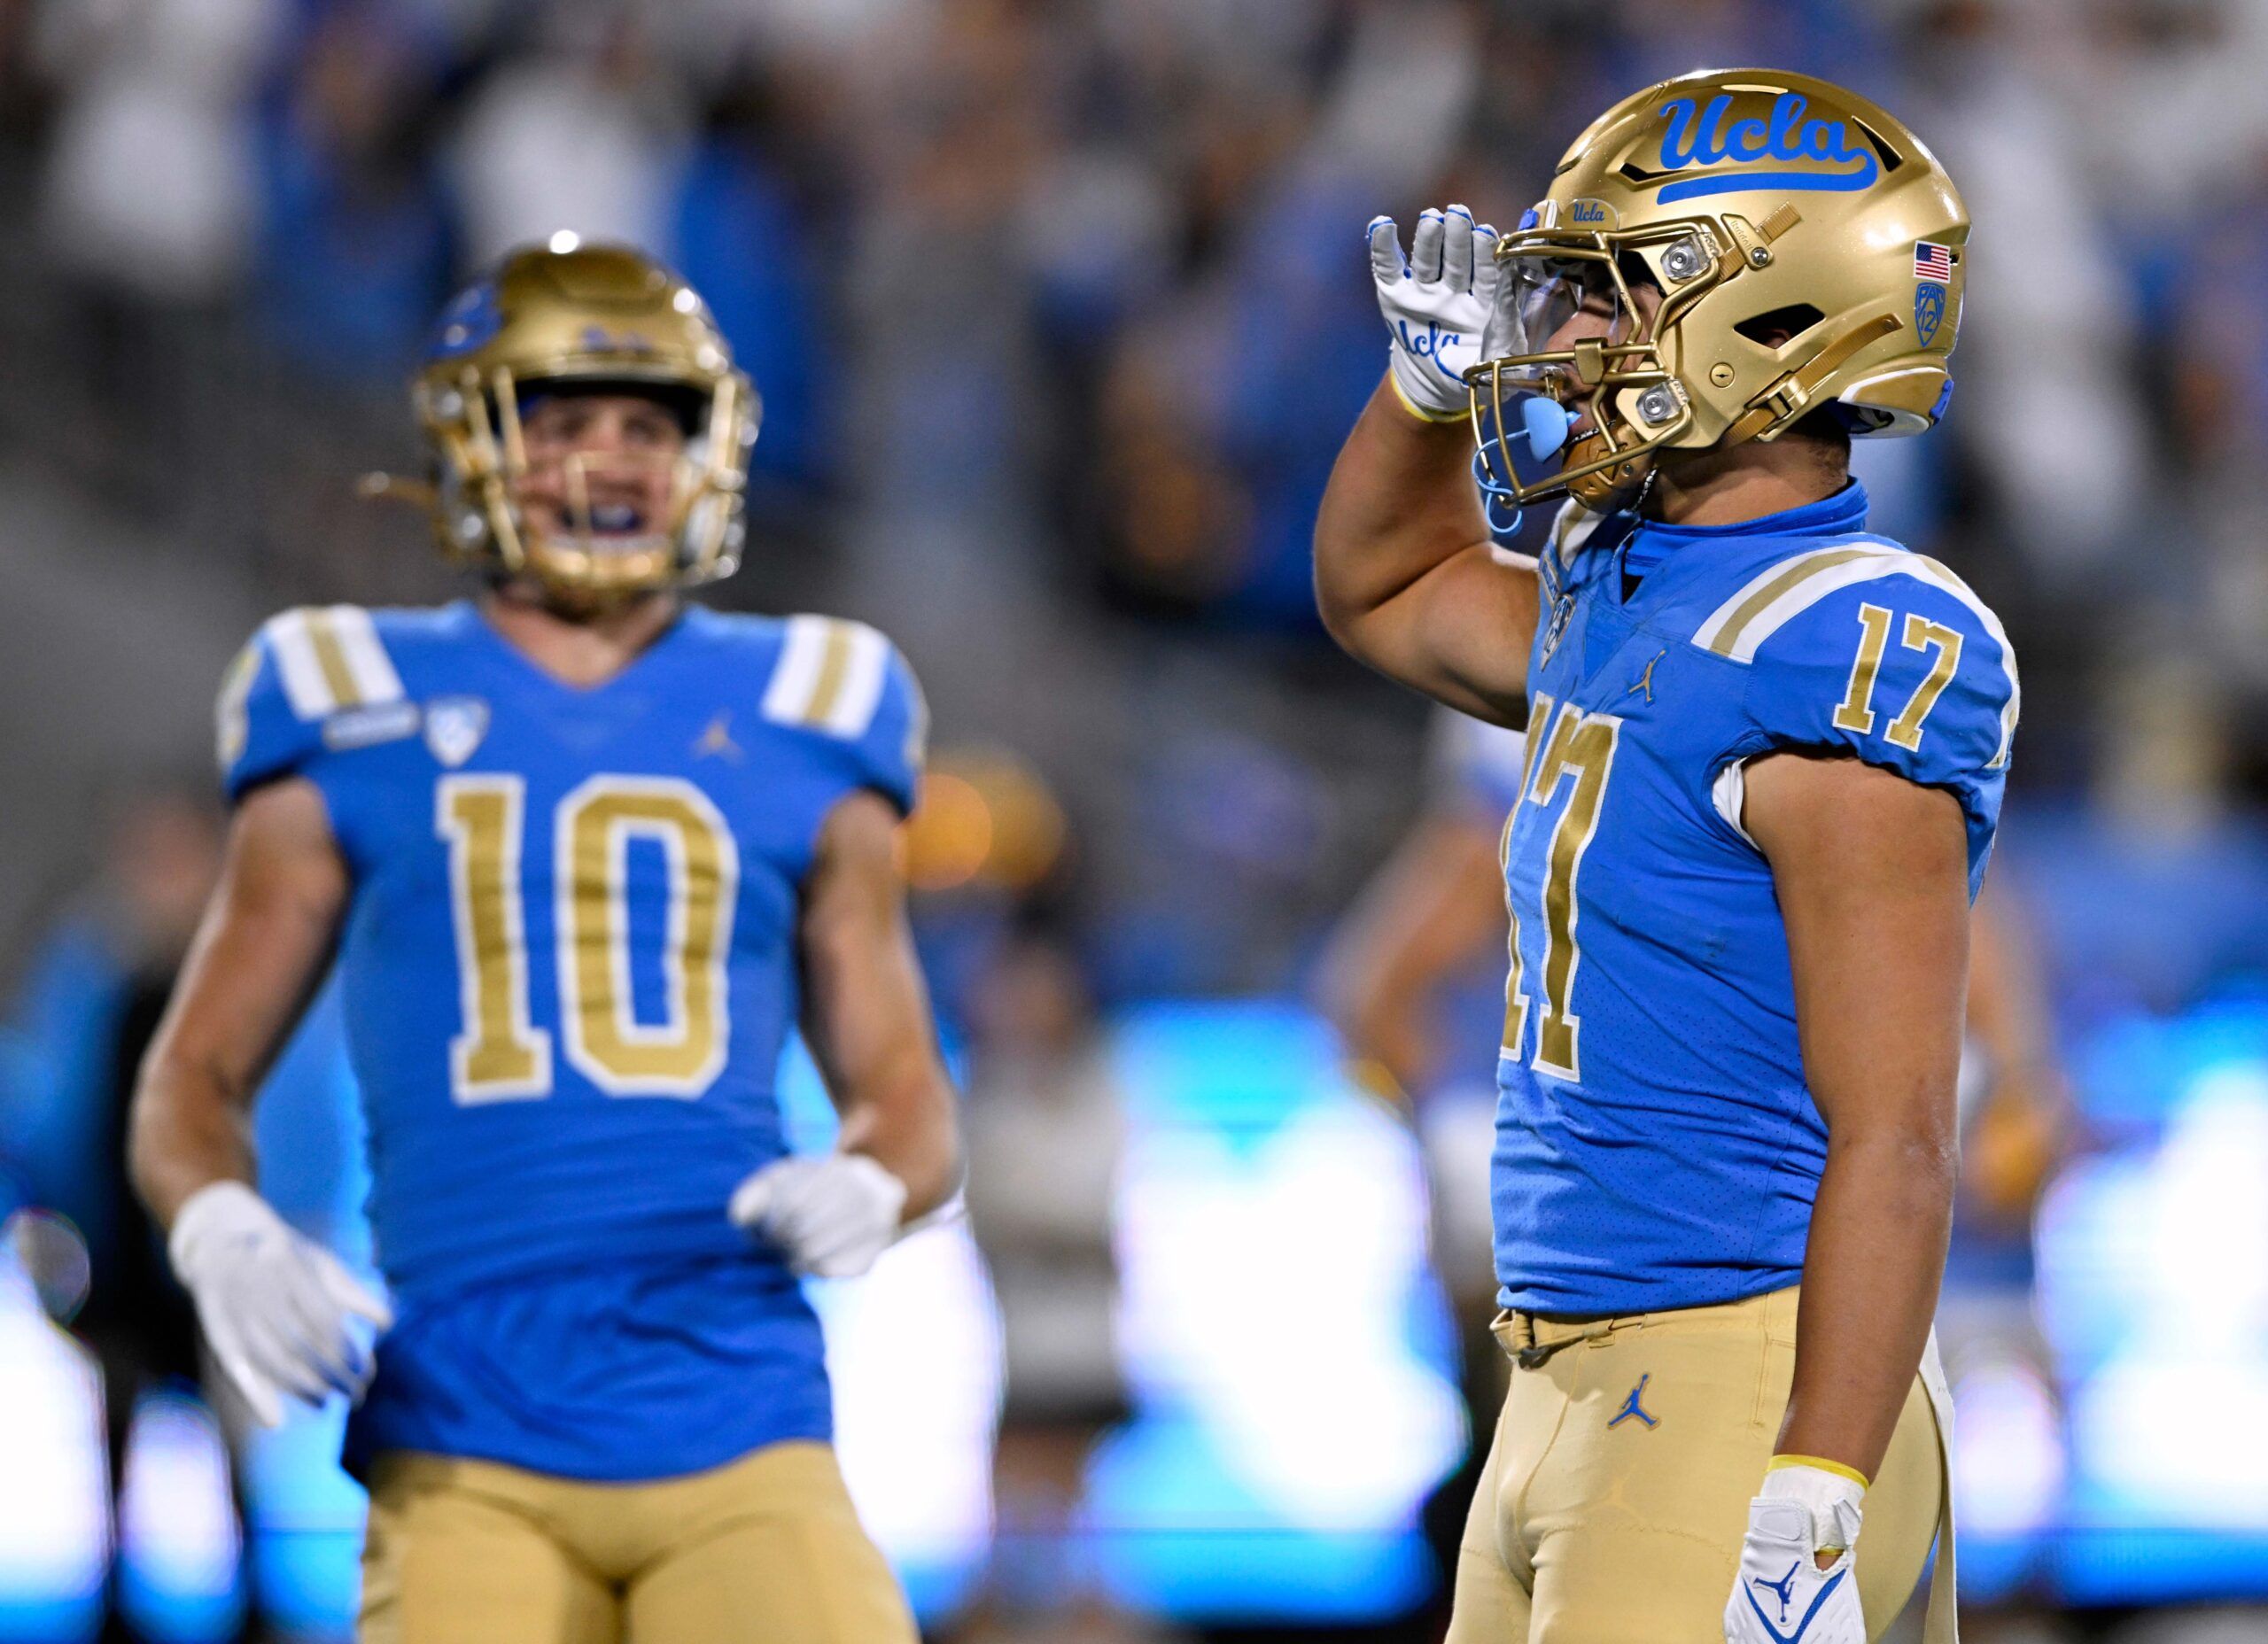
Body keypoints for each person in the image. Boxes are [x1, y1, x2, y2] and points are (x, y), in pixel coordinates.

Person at [128, 241, 959, 1644]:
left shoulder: (816, 697)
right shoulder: (344, 690)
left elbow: (909, 1091)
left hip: (738, 1411)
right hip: (466, 1436)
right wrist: (219, 1224)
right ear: (476, 442)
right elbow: (192, 1076)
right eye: (567, 420)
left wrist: (876, 1180)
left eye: (647, 424)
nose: (612, 458)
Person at [1315, 69, 2013, 1644]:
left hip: (1741, 1372)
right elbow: (1381, 590)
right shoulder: (1620, 575)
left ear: (1769, 321)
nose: (1565, 339)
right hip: (1563, 1373)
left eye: (1613, 295)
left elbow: (1898, 1133)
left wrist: (1817, 1483)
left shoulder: (1833, 640)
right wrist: (1420, 399)